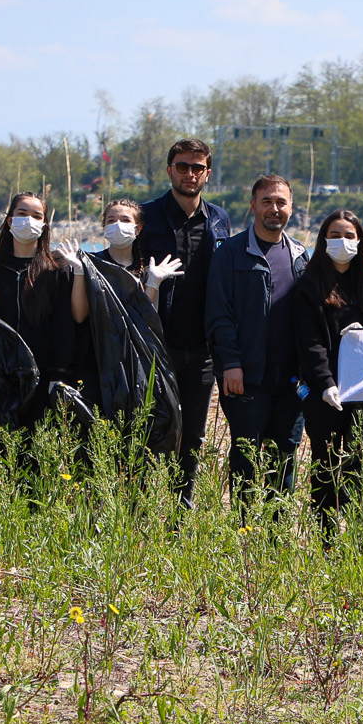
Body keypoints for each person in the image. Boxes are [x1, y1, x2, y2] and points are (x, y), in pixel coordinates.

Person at [134, 139, 228, 504]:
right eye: (182, 166)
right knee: (148, 430)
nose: (190, 173)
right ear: (169, 170)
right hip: (157, 345)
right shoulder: (146, 216)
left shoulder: (219, 219)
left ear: (207, 172)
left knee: (192, 437)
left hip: (201, 348)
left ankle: (179, 517)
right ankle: (137, 513)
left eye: (197, 167)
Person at [205, 175, 308, 497]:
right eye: (266, 201)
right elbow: (218, 314)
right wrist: (230, 363)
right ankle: (245, 532)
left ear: (291, 208)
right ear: (253, 206)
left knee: (284, 459)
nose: (274, 208)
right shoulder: (230, 254)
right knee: (246, 458)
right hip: (246, 377)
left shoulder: (301, 257)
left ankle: (277, 540)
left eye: (281, 202)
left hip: (291, 381)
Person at [293, 209, 363, 526]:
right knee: (324, 464)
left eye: (349, 236)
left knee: (361, 464)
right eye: (335, 235)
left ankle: (357, 534)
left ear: (359, 241)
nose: (342, 241)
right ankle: (325, 534)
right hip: (321, 392)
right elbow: (309, 342)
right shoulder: (308, 286)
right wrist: (325, 383)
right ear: (324, 240)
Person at [0, 192, 89, 404]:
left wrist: (60, 373)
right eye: (22, 213)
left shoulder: (56, 269)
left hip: (45, 376)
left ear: (44, 225)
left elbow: (64, 324)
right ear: (10, 220)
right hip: (0, 376)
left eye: (37, 216)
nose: (29, 220)